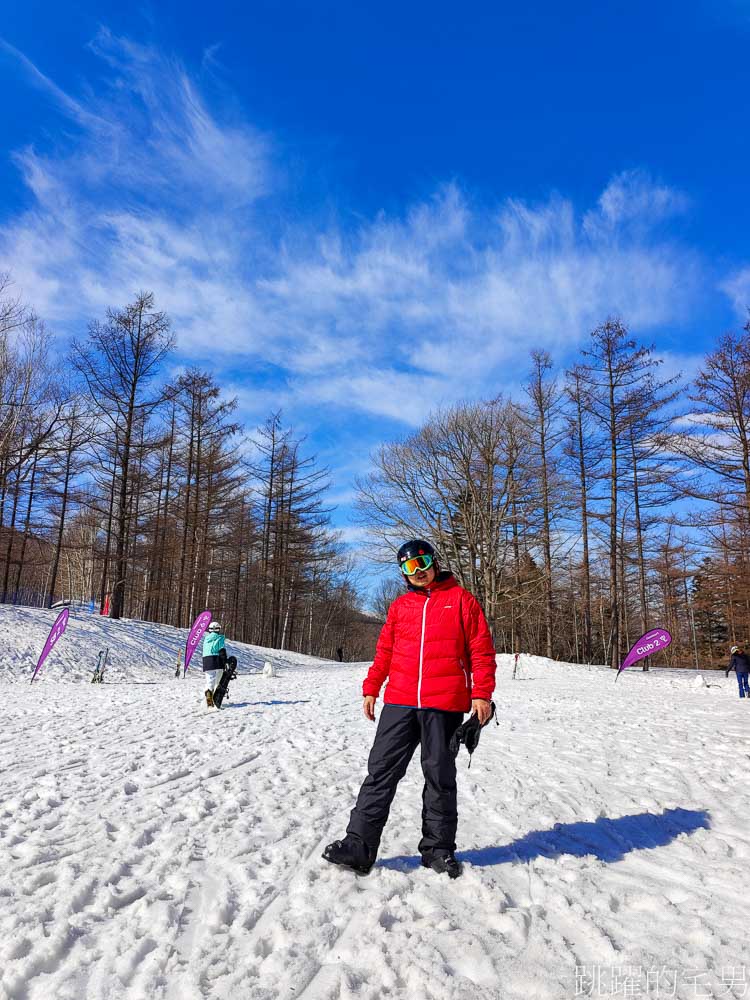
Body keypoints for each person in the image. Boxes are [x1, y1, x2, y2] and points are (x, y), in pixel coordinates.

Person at [323, 539, 497, 879]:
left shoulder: (462, 601)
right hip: (400, 702)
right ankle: (359, 846)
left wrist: (482, 694)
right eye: (409, 567)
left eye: (423, 563)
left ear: (435, 562)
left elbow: (481, 650)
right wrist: (371, 688)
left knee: (439, 778)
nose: (419, 572)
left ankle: (438, 850)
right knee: (380, 774)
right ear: (403, 573)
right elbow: (385, 650)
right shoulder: (400, 607)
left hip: (444, 704)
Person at [202, 621, 227, 707]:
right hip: (217, 660)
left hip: (206, 661)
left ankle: (209, 695)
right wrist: (225, 662)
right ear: (218, 629)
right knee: (218, 680)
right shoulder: (220, 638)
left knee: (209, 681)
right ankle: (216, 697)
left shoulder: (206, 639)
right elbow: (222, 651)